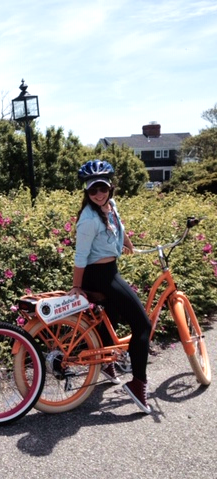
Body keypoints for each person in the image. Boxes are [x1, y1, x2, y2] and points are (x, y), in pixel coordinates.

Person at [68, 160, 153, 414]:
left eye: (102, 188)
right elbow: (80, 257)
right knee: (143, 325)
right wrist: (76, 286)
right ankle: (138, 384)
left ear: (110, 188)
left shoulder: (110, 206)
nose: (98, 194)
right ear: (87, 192)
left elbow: (119, 227)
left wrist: (127, 243)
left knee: (111, 314)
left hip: (109, 270)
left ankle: (106, 364)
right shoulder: (88, 220)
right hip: (98, 275)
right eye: (93, 191)